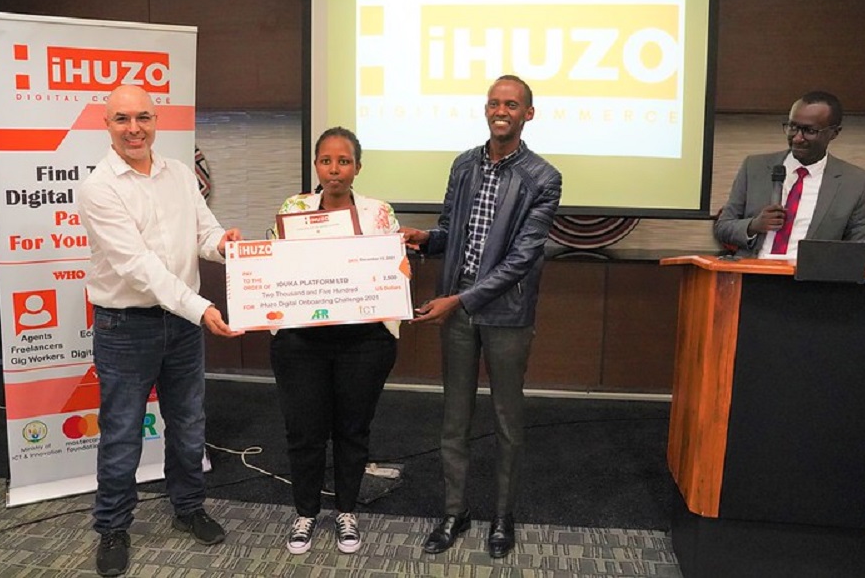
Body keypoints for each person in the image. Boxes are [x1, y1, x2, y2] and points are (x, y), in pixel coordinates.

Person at [78, 85, 243, 577]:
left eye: (143, 118)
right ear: (107, 125)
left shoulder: (179, 174)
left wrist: (224, 245)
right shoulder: (99, 188)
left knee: (189, 424)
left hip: (183, 325)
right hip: (125, 326)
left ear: (156, 120)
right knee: (122, 432)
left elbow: (204, 232)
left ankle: (188, 508)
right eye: (122, 119)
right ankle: (112, 527)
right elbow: (139, 267)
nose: (134, 129)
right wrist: (201, 307)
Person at [401, 75, 562, 559]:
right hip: (457, 310)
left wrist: (462, 300)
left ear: (528, 114)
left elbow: (521, 260)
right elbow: (452, 230)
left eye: (511, 104)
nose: (501, 111)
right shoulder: (464, 164)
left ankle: (502, 516)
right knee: (454, 418)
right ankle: (455, 512)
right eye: (494, 103)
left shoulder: (543, 178)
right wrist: (426, 239)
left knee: (507, 421)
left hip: (506, 313)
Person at [269, 127, 401, 556]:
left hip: (363, 341)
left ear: (357, 167)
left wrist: (394, 272)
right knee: (304, 431)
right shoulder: (293, 209)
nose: (334, 169)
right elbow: (275, 266)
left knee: (352, 430)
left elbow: (393, 270)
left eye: (343, 161)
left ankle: (346, 511)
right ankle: (305, 513)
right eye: (326, 161)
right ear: (316, 166)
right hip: (301, 342)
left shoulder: (379, 213)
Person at [714, 90, 865, 259]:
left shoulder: (855, 182)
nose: (797, 138)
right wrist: (754, 225)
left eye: (809, 131)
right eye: (792, 127)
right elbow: (723, 228)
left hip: (810, 273)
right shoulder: (754, 167)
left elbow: (862, 246)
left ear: (834, 133)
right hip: (753, 268)